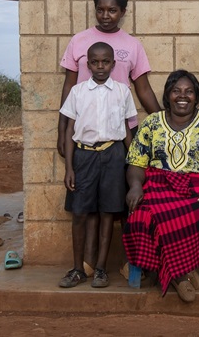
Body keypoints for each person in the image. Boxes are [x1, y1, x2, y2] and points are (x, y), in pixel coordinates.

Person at [58, 0, 161, 273]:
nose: (106, 15)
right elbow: (68, 85)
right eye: (100, 10)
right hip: (85, 131)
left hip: (119, 135)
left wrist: (163, 121)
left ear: (122, 13)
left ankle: (123, 263)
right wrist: (61, 128)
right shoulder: (79, 41)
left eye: (112, 10)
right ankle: (86, 264)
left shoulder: (132, 45)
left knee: (116, 204)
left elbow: (142, 88)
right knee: (86, 207)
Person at [123, 70, 199, 303]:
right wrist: (135, 185)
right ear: (168, 96)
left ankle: (174, 272)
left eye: (189, 91)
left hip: (197, 185)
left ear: (196, 96)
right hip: (157, 184)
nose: (183, 96)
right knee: (141, 215)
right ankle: (181, 274)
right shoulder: (151, 123)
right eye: (176, 91)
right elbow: (136, 163)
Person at [58, 42, 137, 289]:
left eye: (105, 62)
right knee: (80, 213)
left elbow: (126, 128)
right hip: (84, 156)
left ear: (113, 64)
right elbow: (71, 129)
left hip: (113, 155)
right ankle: (77, 268)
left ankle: (101, 269)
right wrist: (69, 167)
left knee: (107, 213)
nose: (100, 66)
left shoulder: (122, 91)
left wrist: (133, 159)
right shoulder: (78, 92)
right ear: (87, 64)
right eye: (95, 62)